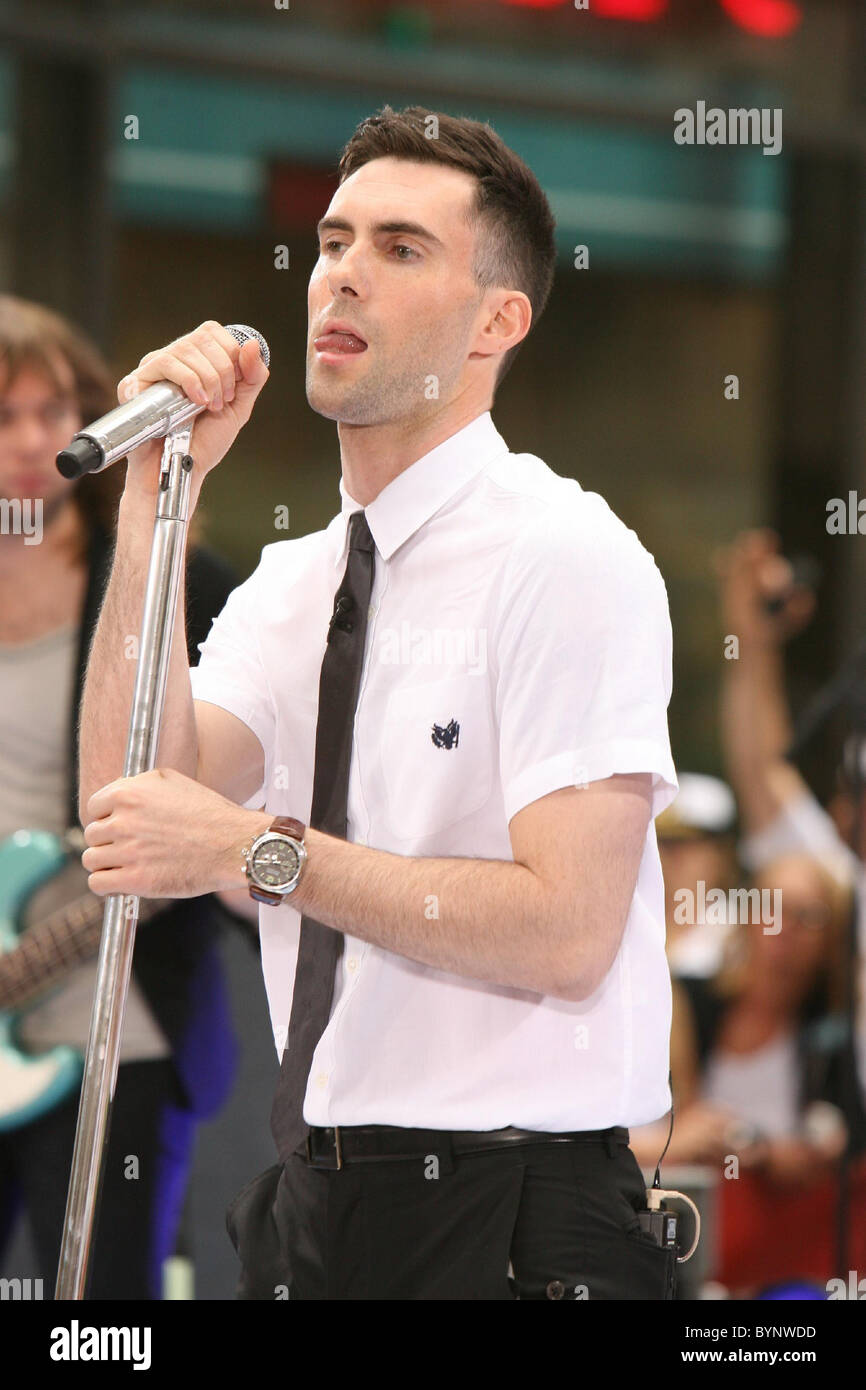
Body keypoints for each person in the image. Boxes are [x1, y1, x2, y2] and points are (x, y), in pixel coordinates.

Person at [76, 105, 679, 1301]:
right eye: (333, 240)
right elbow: (130, 816)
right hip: (310, 1197)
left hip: (513, 1212)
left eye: (400, 248)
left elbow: (566, 931)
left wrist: (261, 852)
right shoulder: (292, 581)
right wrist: (155, 510)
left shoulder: (562, 554)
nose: (341, 273)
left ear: (495, 320)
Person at [0, 295, 242, 1300]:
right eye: (3, 414)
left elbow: (216, 784)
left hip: (116, 1018)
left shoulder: (172, 577)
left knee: (105, 1311)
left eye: (54, 410)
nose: (31, 440)